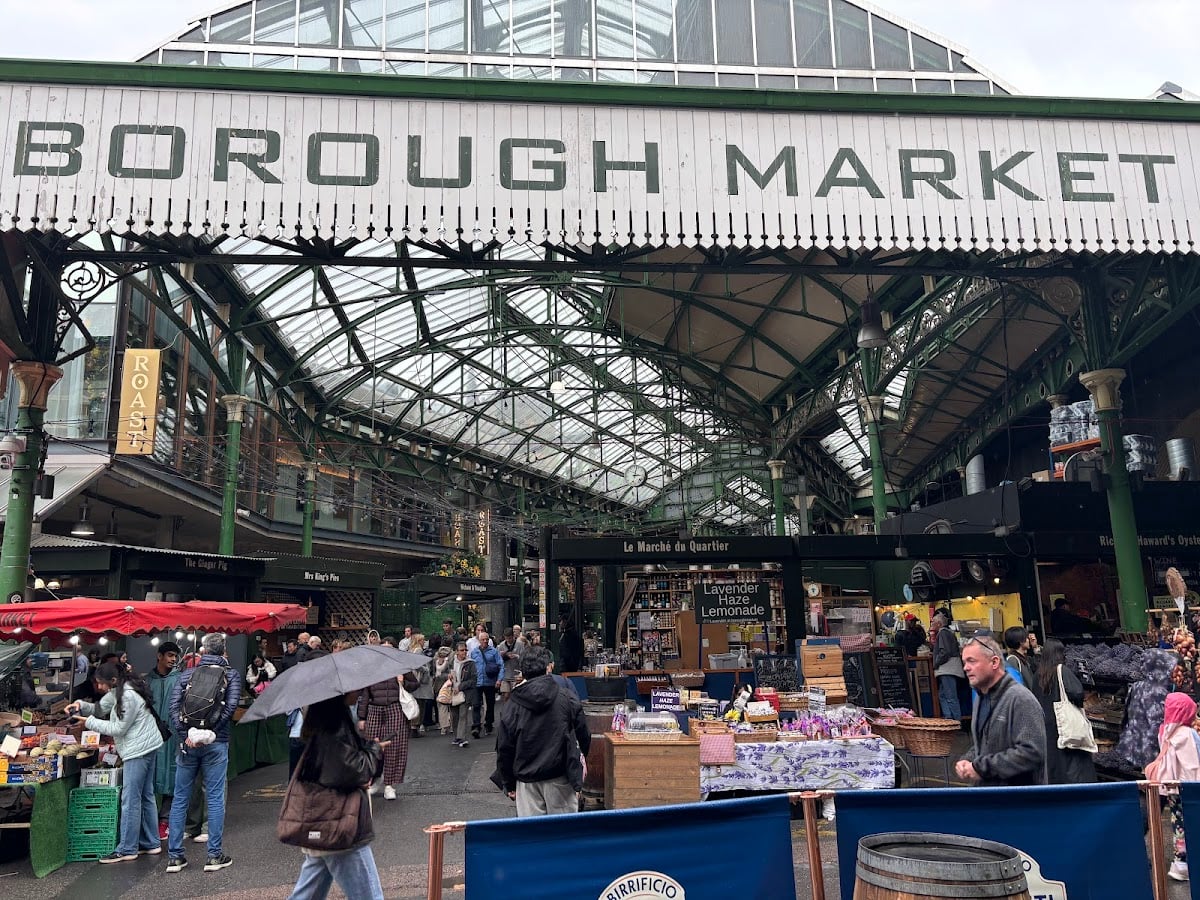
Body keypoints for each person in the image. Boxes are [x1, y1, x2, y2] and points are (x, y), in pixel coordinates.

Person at [285, 692, 387, 900]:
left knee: (308, 892)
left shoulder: (320, 723)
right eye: (354, 688)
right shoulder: (336, 729)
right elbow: (356, 771)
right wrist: (375, 750)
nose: (358, 692)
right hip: (339, 822)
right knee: (369, 895)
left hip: (322, 820)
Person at [66, 661, 164, 862]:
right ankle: (151, 843)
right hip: (147, 745)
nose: (99, 687)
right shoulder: (120, 689)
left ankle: (127, 849)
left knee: (131, 799)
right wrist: (80, 706)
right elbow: (100, 708)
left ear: (112, 680)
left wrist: (88, 722)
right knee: (145, 796)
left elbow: (118, 729)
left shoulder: (127, 696)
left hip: (139, 750)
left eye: (101, 683)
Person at [165, 633, 240, 874]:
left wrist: (187, 735)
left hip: (187, 744)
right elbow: (230, 708)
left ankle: (175, 857)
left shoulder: (186, 675)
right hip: (217, 743)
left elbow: (173, 708)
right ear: (223, 650)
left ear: (203, 650)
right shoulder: (231, 675)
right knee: (215, 797)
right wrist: (209, 732)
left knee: (180, 798)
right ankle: (214, 856)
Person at [494, 646, 591, 817]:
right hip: (560, 775)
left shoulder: (513, 704)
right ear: (548, 667)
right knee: (562, 834)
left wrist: (508, 783)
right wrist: (579, 759)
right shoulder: (566, 697)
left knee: (533, 836)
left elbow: (504, 747)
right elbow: (583, 734)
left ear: (522, 671)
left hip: (526, 778)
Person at [956, 635, 1047, 787]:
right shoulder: (981, 698)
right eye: (964, 662)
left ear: (994, 662)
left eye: (972, 661)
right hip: (991, 801)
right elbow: (988, 742)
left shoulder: (1021, 699)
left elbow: (1032, 753)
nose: (965, 667)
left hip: (1018, 804)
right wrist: (968, 760)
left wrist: (981, 768)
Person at [1147, 693, 1200, 882]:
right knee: (1193, 823)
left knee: (1178, 825)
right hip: (1190, 788)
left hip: (1171, 788)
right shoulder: (1188, 734)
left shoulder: (1165, 732)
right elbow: (1195, 763)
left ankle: (1181, 864)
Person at [1035, 639, 1096, 784]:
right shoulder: (1062, 670)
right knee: (1073, 761)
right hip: (1065, 722)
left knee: (1055, 761)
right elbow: (1077, 692)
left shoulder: (1037, 674)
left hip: (1047, 726)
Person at [1113, 648, 1179, 772]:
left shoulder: (1137, 686)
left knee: (1146, 779)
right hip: (1151, 748)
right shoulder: (1158, 692)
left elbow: (1127, 715)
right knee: (1154, 782)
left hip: (1136, 743)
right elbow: (1157, 725)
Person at [356, 667, 410, 801]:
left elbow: (415, 684)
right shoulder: (371, 670)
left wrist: (402, 683)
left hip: (395, 707)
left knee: (394, 746)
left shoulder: (400, 667)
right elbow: (365, 694)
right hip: (374, 708)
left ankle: (389, 785)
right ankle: (374, 778)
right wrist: (362, 717)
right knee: (372, 745)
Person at [146, 641, 182, 840]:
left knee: (172, 776)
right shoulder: (146, 681)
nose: (173, 659)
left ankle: (165, 820)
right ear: (159, 656)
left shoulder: (179, 680)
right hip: (151, 736)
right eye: (169, 655)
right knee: (150, 778)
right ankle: (151, 821)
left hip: (172, 735)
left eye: (175, 656)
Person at [930, 614, 965, 721]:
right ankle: (949, 718)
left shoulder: (943, 633)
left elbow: (945, 652)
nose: (931, 624)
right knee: (943, 695)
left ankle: (955, 721)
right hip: (950, 669)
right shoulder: (948, 633)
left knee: (950, 696)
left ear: (939, 624)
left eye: (933, 622)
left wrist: (936, 662)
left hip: (947, 669)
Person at [470, 632, 503, 738]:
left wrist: (499, 679)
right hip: (477, 681)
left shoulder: (494, 652)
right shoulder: (474, 652)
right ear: (479, 640)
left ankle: (488, 723)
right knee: (476, 704)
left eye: (486, 639)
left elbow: (501, 665)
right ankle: (476, 726)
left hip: (490, 681)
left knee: (490, 704)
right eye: (482, 639)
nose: (485, 641)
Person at [449, 642, 478, 748]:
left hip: (465, 693)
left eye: (466, 650)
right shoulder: (451, 662)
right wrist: (447, 677)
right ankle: (457, 737)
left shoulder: (471, 663)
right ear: (456, 651)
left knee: (463, 714)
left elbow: (474, 680)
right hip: (452, 692)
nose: (464, 652)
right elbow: (440, 674)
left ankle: (462, 737)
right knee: (454, 715)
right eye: (462, 650)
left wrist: (460, 686)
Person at [407, 633, 434, 736]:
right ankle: (415, 727)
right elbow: (417, 665)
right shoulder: (418, 651)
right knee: (420, 704)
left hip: (414, 680)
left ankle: (413, 726)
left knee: (416, 703)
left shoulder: (411, 650)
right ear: (419, 641)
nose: (424, 642)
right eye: (423, 640)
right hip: (421, 682)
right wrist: (426, 669)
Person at [1003, 626, 1039, 692]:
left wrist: (1035, 647)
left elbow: (1038, 668)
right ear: (1020, 641)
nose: (1028, 640)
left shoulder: (1025, 659)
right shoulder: (1012, 660)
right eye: (1026, 638)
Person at [495, 628, 525, 704]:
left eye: (510, 638)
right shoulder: (501, 645)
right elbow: (497, 660)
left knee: (516, 695)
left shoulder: (520, 644)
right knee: (506, 695)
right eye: (506, 638)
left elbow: (524, 658)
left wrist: (517, 656)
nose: (508, 640)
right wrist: (503, 656)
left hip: (516, 673)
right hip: (505, 673)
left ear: (513, 636)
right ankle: (506, 711)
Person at [432, 647, 455, 735]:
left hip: (438, 685)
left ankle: (443, 727)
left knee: (441, 707)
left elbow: (433, 673)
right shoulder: (450, 661)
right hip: (449, 685)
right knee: (451, 707)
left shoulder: (435, 661)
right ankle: (452, 726)